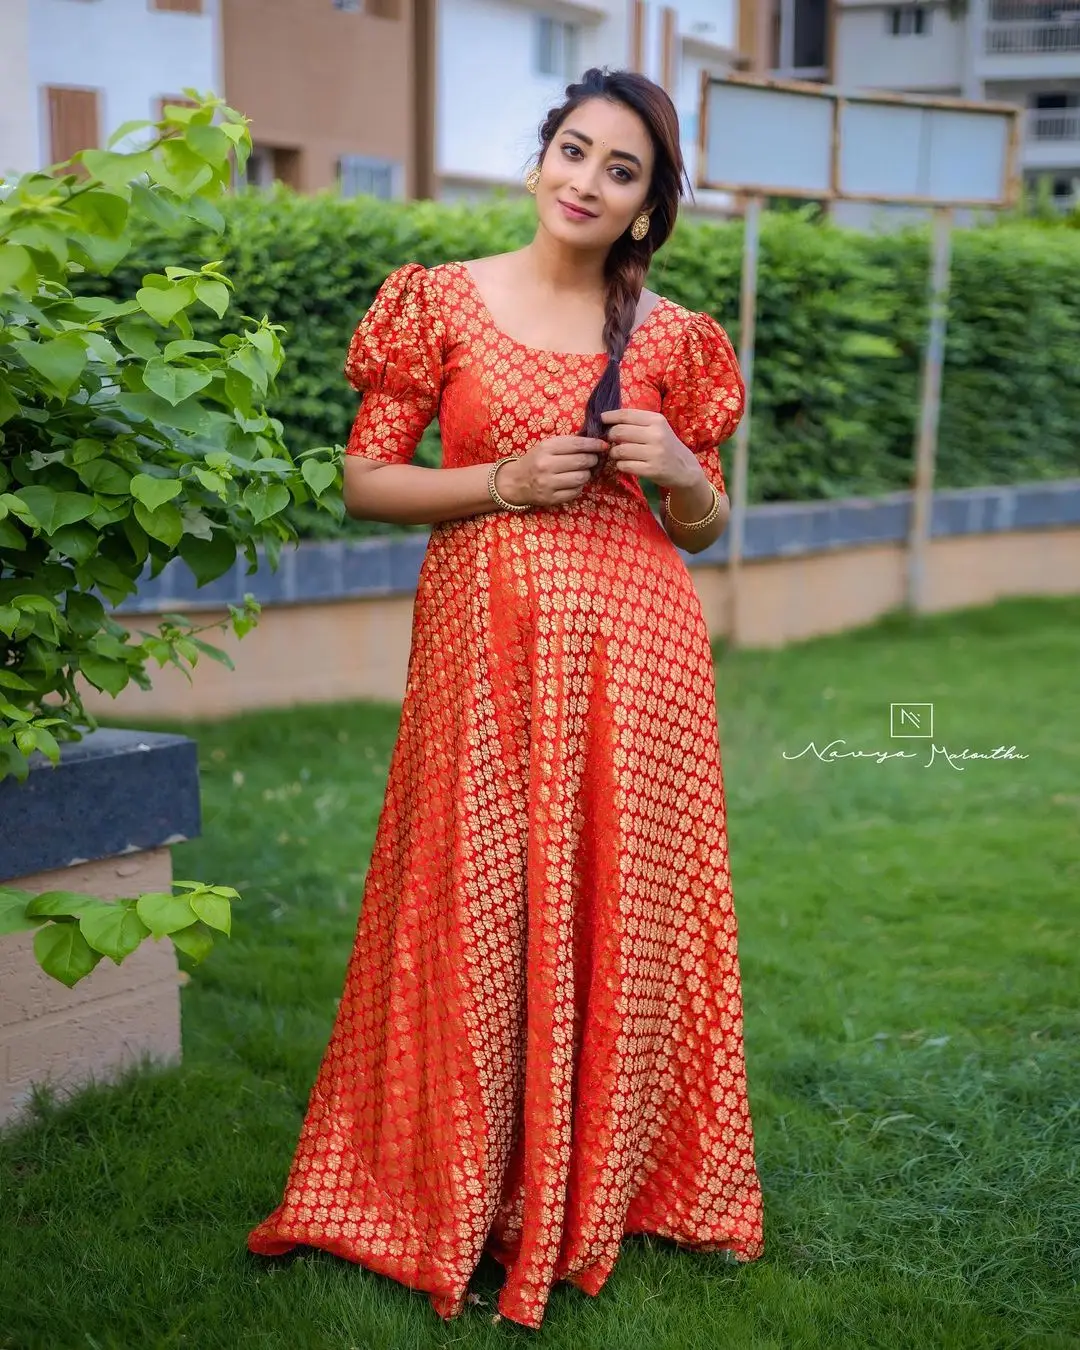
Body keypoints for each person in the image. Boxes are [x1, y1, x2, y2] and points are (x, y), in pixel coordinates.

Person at [248, 66, 765, 1330]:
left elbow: (699, 531)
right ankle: (457, 1188)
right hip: (482, 642)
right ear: (540, 160)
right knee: (469, 889)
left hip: (640, 666)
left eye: (622, 170)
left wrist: (687, 473)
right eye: (575, 151)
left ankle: (599, 1187)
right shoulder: (444, 302)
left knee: (618, 912)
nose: (588, 181)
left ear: (648, 208)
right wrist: (503, 482)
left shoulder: (674, 337)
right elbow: (364, 479)